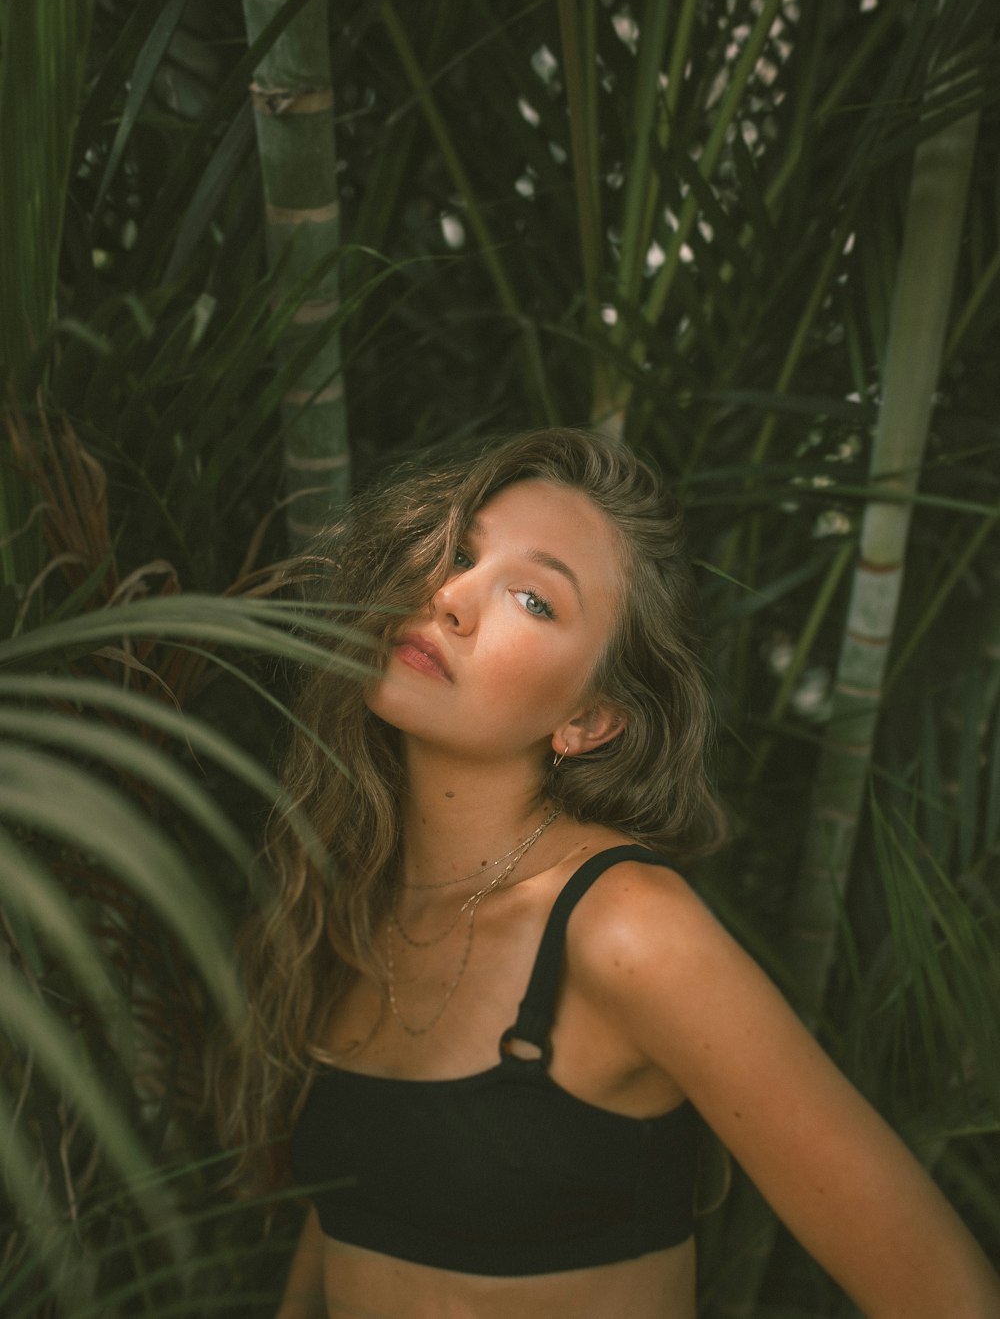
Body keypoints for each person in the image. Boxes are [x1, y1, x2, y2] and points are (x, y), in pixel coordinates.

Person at [222, 429, 1000, 1319]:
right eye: (459, 552)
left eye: (533, 598)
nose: (450, 596)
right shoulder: (366, 894)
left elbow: (945, 1291)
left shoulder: (626, 929)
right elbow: (364, 1215)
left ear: (589, 720)